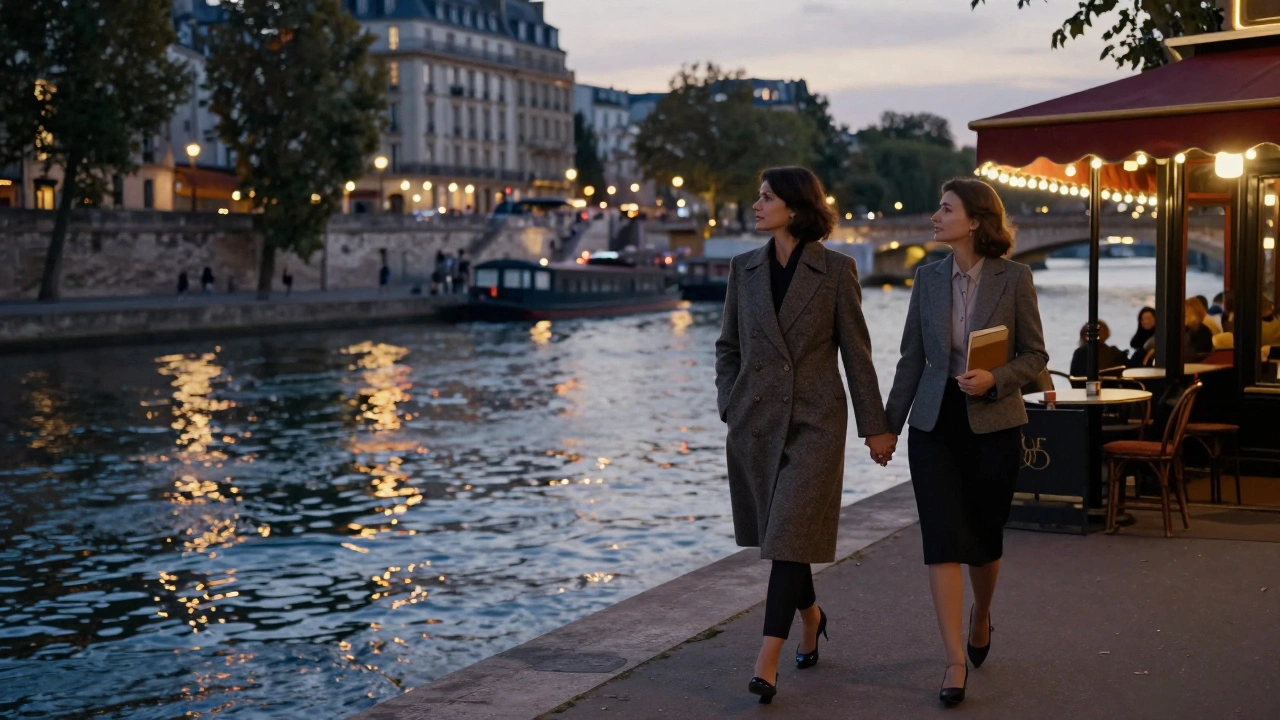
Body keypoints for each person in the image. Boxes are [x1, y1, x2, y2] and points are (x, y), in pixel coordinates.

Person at [714, 166, 895, 706]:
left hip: (816, 422)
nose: (756, 205)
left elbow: (856, 356)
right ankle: (812, 617)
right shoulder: (742, 269)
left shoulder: (837, 271)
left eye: (766, 197)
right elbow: (728, 347)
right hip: (756, 422)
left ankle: (766, 661)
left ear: (794, 208)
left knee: (789, 535)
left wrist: (876, 428)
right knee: (785, 539)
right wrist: (730, 402)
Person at [883, 178, 1048, 707]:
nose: (935, 216)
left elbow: (1035, 356)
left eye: (945, 208)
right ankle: (954, 660)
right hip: (933, 424)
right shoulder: (927, 278)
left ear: (974, 220)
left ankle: (983, 614)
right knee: (941, 540)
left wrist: (996, 378)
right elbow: (912, 358)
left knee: (983, 536)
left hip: (993, 422)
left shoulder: (1015, 278)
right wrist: (886, 425)